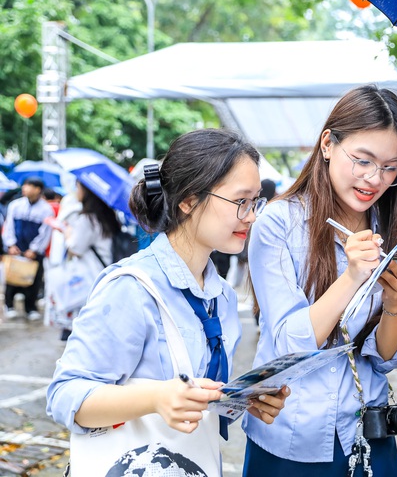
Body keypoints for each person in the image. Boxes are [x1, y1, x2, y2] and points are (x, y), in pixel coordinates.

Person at [46, 129, 289, 473]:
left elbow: (195, 402)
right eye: (240, 201)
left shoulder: (222, 297)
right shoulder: (132, 287)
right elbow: (65, 395)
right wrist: (156, 399)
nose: (251, 216)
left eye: (255, 202)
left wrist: (242, 400)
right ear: (188, 201)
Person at [243, 85, 397, 476]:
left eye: (390, 167)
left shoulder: (391, 228)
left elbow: (384, 359)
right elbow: (289, 343)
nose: (375, 179)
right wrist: (352, 276)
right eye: (363, 160)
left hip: (368, 432)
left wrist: (395, 304)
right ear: (328, 144)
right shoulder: (278, 224)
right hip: (294, 435)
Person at [52, 182, 121, 340]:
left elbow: (75, 248)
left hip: (90, 275)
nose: (76, 191)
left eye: (78, 187)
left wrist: (68, 233)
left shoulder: (88, 218)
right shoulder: (108, 215)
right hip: (104, 271)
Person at [2, 176, 54, 321]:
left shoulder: (46, 209)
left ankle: (30, 307)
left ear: (38, 189)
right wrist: (11, 244)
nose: (24, 188)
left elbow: (45, 232)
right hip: (16, 248)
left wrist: (34, 249)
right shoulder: (16, 205)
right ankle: (9, 305)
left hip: (33, 252)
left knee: (33, 280)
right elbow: (9, 226)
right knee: (11, 278)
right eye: (24, 185)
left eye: (29, 185)